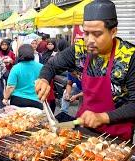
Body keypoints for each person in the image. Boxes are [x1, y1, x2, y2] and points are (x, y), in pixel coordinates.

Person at [35, 0, 135, 140]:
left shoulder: (129, 57)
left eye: (97, 34)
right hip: (84, 130)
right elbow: (51, 66)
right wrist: (44, 79)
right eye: (86, 33)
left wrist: (103, 117)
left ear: (113, 31)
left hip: (116, 137)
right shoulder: (80, 49)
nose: (89, 40)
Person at [3, 44, 43, 109]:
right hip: (36, 100)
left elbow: (10, 86)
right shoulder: (41, 67)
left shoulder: (16, 68)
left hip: (18, 100)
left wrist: (5, 98)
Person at [40, 39, 57, 113]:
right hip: (44, 74)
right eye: (48, 44)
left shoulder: (57, 53)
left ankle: (51, 112)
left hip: (52, 75)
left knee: (50, 94)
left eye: (51, 44)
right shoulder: (44, 53)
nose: (50, 46)